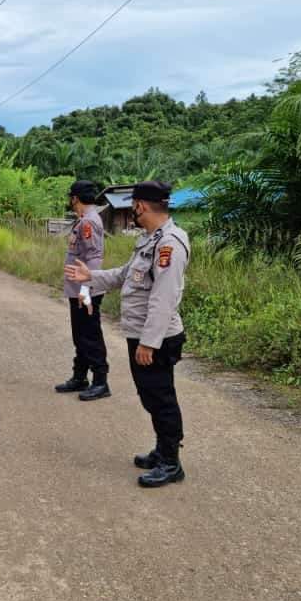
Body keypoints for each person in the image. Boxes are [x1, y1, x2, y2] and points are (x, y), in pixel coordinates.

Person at [64, 181, 191, 487]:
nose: (132, 209)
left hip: (156, 338)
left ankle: (172, 462)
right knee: (150, 396)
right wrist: (91, 276)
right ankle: (162, 451)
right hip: (141, 334)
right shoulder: (150, 240)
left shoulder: (169, 244)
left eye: (133, 204)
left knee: (161, 399)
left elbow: (164, 298)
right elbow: (125, 275)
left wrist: (149, 342)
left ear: (141, 206)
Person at [55, 180, 110, 401]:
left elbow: (94, 259)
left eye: (71, 197)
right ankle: (80, 377)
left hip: (85, 292)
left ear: (75, 198)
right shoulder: (84, 220)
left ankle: (100, 382)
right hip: (78, 290)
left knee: (90, 336)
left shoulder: (89, 222)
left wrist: (86, 290)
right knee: (81, 336)